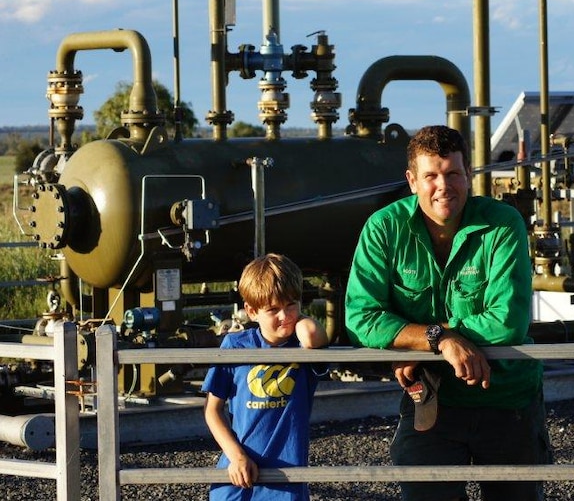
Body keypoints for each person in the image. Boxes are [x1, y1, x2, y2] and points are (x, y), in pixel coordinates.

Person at [345, 125, 551, 501]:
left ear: (468, 175)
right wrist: (441, 340)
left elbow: (506, 322)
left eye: (453, 173)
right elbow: (361, 317)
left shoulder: (503, 224)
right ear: (412, 181)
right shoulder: (384, 229)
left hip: (506, 398)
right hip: (429, 400)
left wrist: (427, 339)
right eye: (431, 176)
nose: (444, 186)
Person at [202, 253, 329, 501]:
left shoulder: (304, 349)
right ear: (251, 311)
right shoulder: (235, 345)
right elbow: (212, 410)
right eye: (273, 310)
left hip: (285, 481)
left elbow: (313, 334)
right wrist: (236, 455)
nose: (285, 316)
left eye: (292, 305)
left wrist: (296, 315)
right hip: (238, 474)